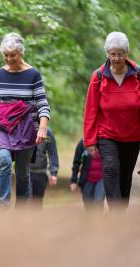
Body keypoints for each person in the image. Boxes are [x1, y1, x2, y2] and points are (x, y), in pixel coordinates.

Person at [0, 32, 50, 206]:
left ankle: (21, 210)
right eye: (6, 56)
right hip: (3, 127)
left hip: (26, 129)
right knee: (3, 159)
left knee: (22, 173)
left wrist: (42, 128)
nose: (9, 59)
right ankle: (2, 206)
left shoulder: (33, 74)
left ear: (21, 53)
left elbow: (43, 105)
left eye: (13, 55)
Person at [83, 32, 140, 209]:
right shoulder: (99, 76)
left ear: (126, 54)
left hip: (132, 135)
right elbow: (91, 110)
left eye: (120, 53)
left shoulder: (138, 75)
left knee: (125, 176)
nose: (116, 58)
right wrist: (90, 141)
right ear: (107, 54)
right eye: (113, 53)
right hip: (107, 134)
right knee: (110, 169)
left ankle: (120, 215)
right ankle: (116, 214)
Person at [70, 139, 105, 211]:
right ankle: (89, 221)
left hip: (102, 179)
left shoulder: (105, 142)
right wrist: (73, 180)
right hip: (86, 179)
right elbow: (76, 162)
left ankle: (98, 221)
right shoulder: (83, 143)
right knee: (88, 203)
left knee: (98, 202)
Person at [29, 128, 59, 207]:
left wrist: (53, 173)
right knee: (27, 200)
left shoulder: (48, 133)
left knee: (37, 203)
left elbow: (52, 153)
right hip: (26, 172)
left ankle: (37, 219)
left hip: (41, 173)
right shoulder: (24, 128)